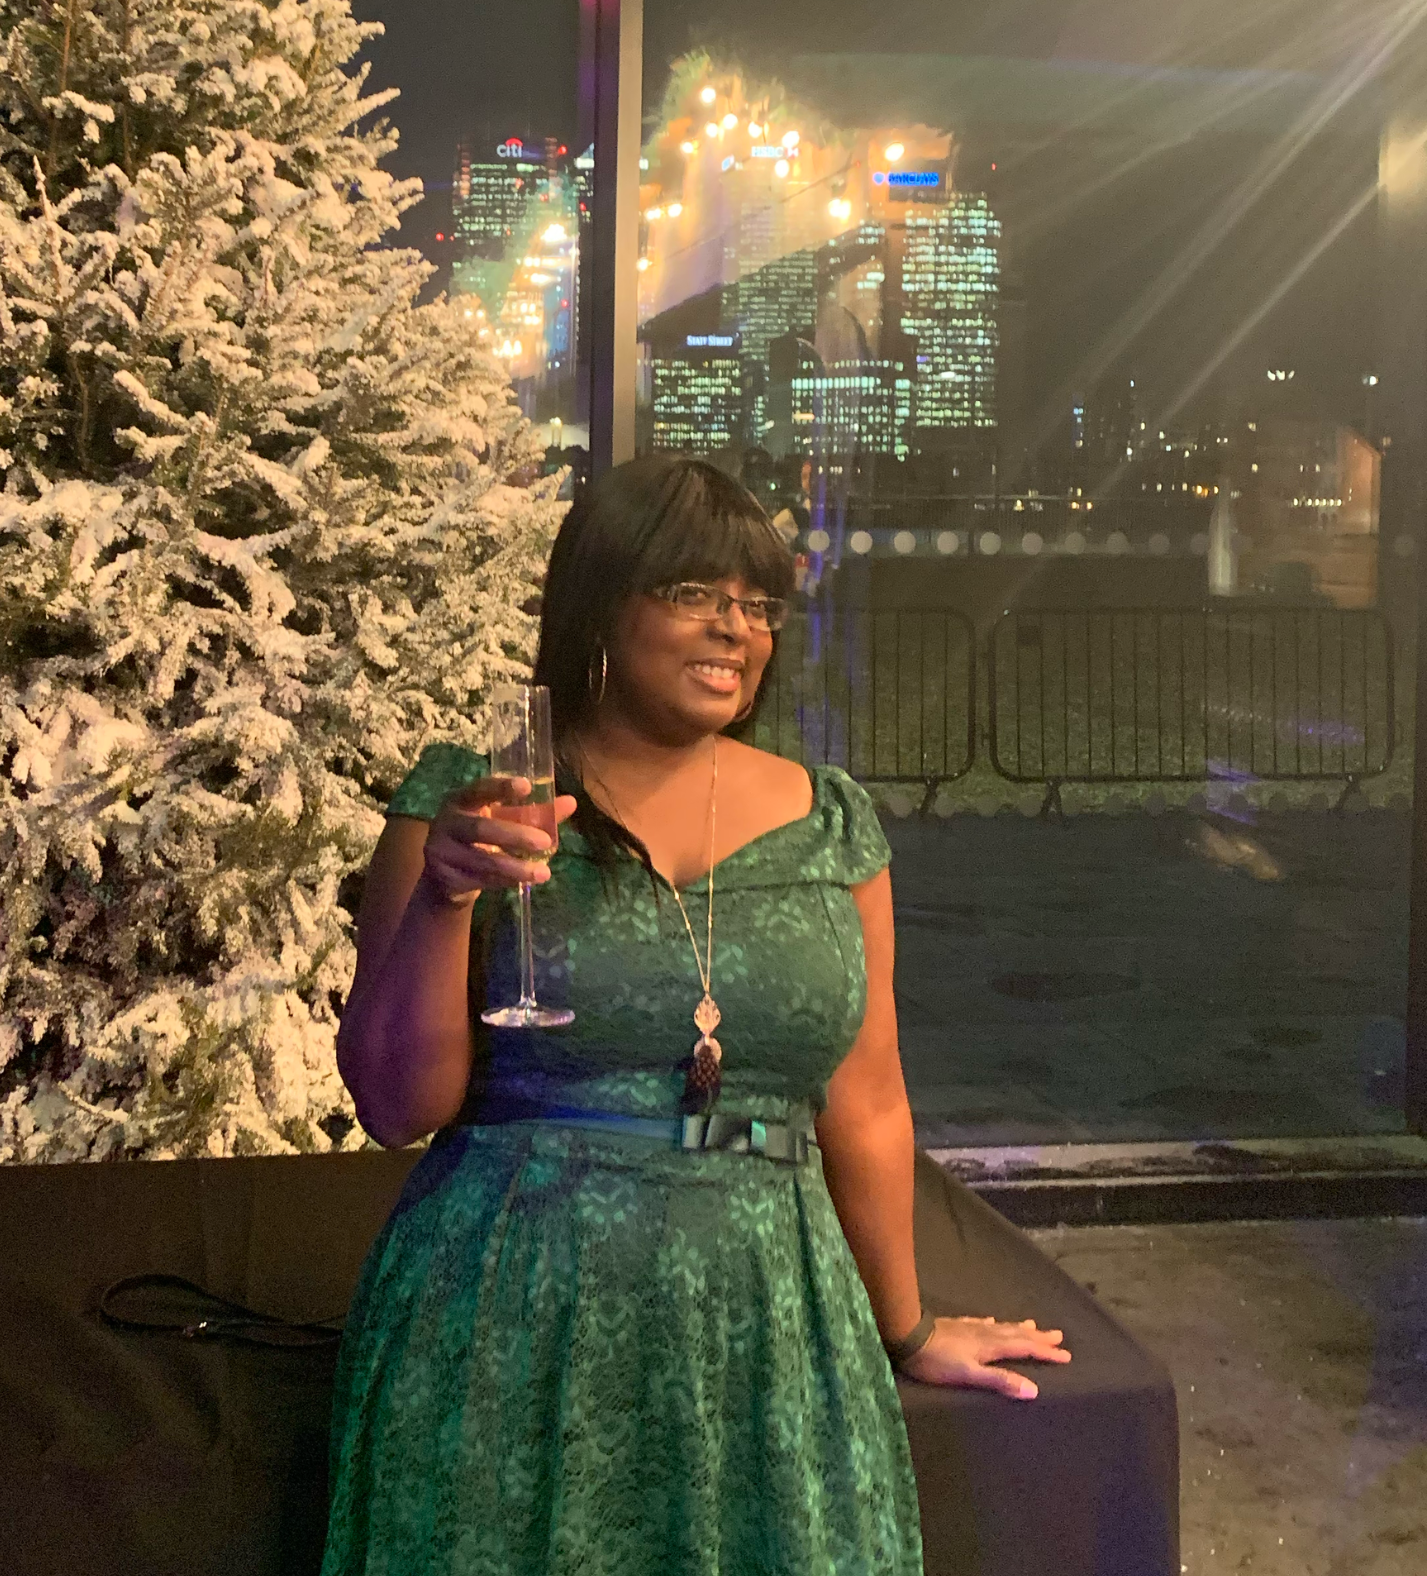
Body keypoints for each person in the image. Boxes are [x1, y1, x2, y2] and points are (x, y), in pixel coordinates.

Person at [323, 455, 1068, 1575]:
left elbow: (864, 1099)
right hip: (515, 1310)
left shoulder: (830, 826)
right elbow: (393, 1102)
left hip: (769, 1316)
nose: (734, 629)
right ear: (600, 605)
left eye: (756, 604)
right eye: (690, 593)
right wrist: (443, 895)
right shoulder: (475, 804)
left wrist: (903, 1324)